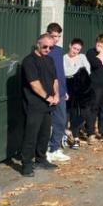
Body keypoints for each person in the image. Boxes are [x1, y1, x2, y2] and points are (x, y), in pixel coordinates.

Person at [20, 34, 60, 177]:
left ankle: (41, 159)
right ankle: (26, 164)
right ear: (37, 44)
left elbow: (55, 80)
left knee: (44, 134)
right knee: (31, 135)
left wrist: (56, 95)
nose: (48, 49)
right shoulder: (28, 61)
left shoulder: (49, 60)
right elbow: (34, 84)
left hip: (48, 105)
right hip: (34, 105)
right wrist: (47, 97)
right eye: (45, 46)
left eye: (51, 47)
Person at [45, 23, 70, 163]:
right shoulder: (45, 50)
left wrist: (64, 90)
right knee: (48, 123)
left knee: (61, 121)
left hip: (60, 91)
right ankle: (46, 150)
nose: (56, 39)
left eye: (58, 36)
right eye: (54, 36)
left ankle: (54, 148)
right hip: (48, 93)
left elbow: (61, 72)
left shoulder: (59, 51)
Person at [64, 38, 92, 150]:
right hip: (69, 88)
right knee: (70, 112)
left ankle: (71, 132)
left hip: (82, 89)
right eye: (74, 48)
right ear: (70, 45)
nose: (75, 51)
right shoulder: (63, 58)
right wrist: (78, 69)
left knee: (84, 113)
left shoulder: (82, 57)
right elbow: (65, 72)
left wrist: (76, 71)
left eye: (78, 50)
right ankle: (74, 138)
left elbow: (88, 71)